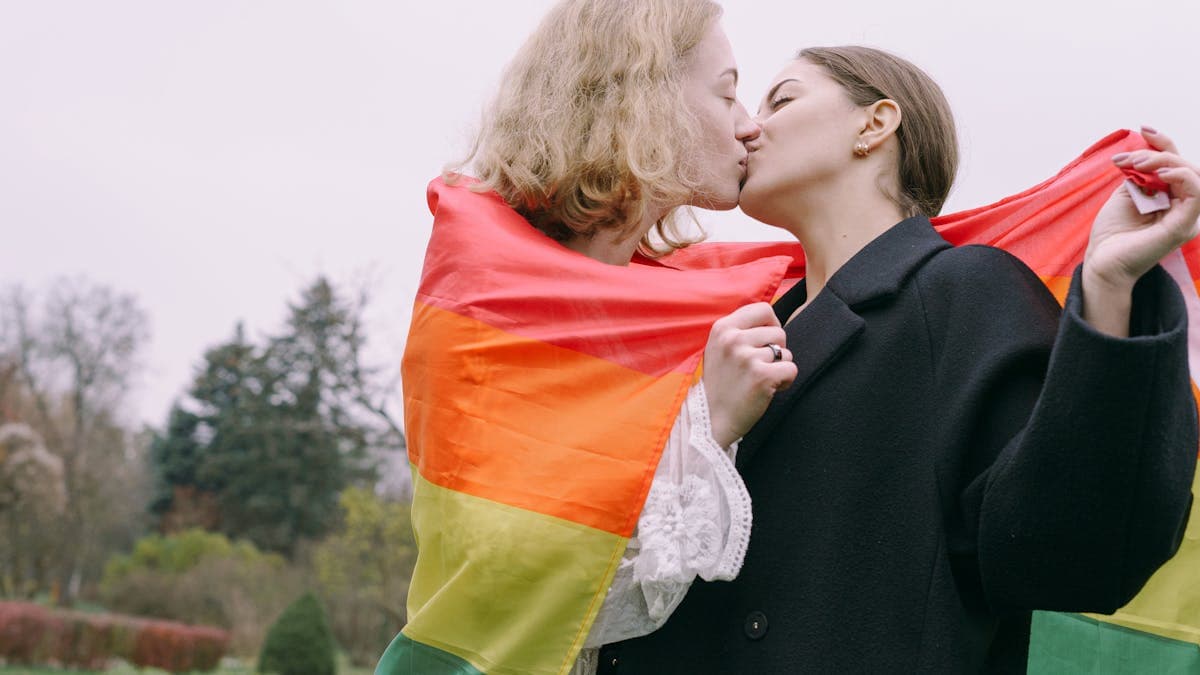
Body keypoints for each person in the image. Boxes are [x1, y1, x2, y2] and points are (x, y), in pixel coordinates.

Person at [599, 46, 1200, 672]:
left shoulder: (964, 290)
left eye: (783, 99)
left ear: (875, 123)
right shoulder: (740, 333)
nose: (749, 126)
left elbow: (1069, 553)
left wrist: (1108, 289)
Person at [376, 2, 796, 673]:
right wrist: (710, 427)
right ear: (647, 103)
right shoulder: (485, 299)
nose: (747, 126)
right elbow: (532, 596)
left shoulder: (682, 302)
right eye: (727, 93)